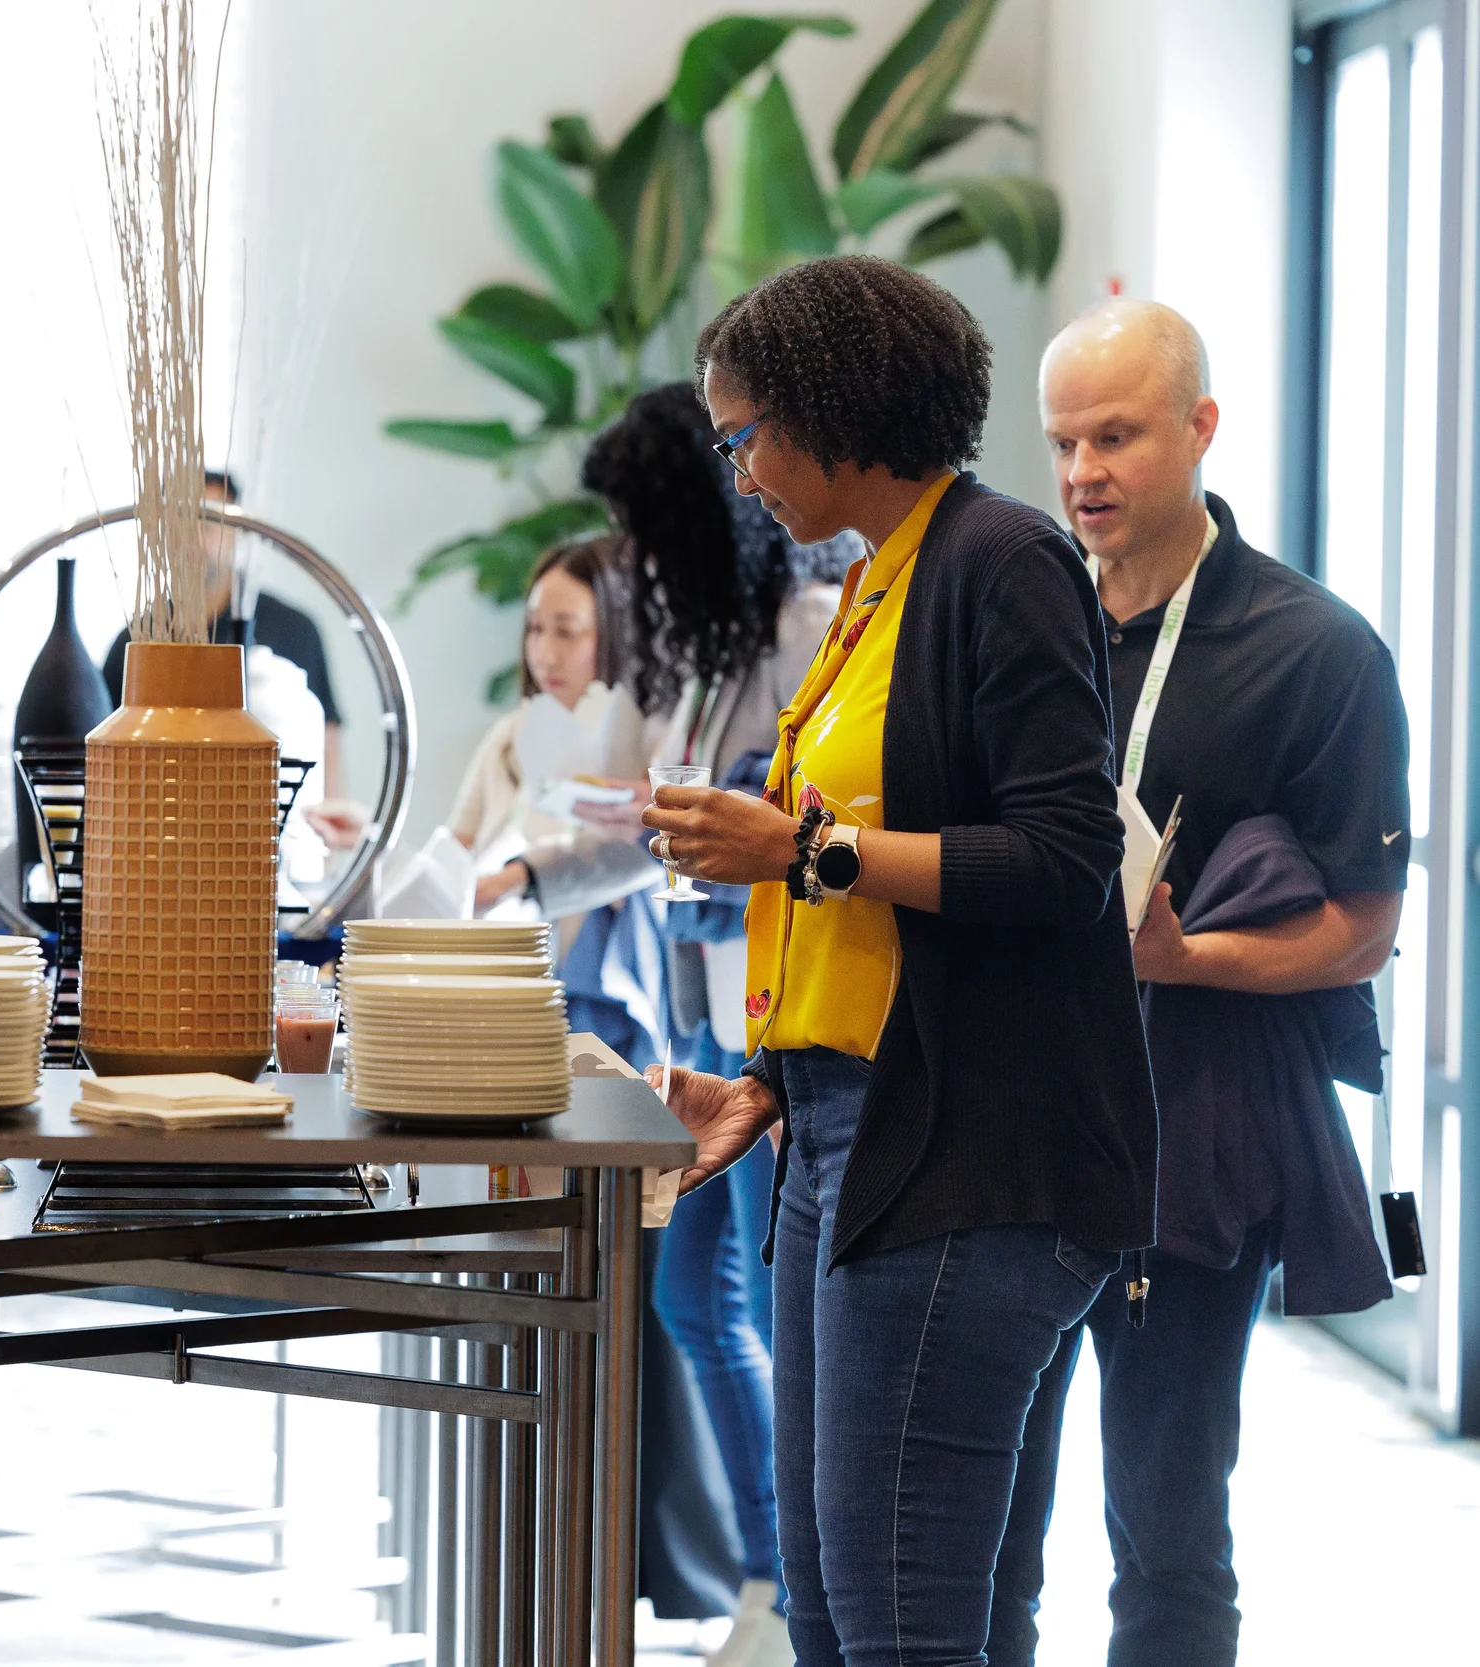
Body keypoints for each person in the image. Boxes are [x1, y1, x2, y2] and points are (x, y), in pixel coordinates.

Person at [641, 255, 1157, 1667]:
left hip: (962, 1144)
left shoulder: (1003, 561)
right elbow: (864, 879)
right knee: (834, 1588)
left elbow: (1060, 862)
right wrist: (769, 1071)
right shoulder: (877, 579)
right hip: (836, 1124)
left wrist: (799, 848)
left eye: (743, 435)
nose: (739, 471)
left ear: (825, 408)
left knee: (898, 1610)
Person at [988, 301, 1407, 1667]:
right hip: (1008, 1137)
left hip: (1187, 1140)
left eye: (1115, 435)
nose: (1083, 471)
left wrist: (1182, 956)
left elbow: (1362, 926)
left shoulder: (1317, 650)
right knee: (981, 1529)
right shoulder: (1028, 618)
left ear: (1200, 427)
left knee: (1165, 1537)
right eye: (1062, 442)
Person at [485, 382, 850, 1666]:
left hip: (783, 1034)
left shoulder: (807, 626)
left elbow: (800, 828)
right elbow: (651, 823)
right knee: (705, 1304)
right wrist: (531, 870)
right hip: (717, 1031)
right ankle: (772, 1583)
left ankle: (781, 1589)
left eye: (640, 528)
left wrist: (685, 824)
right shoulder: (701, 647)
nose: (628, 557)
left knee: (727, 1309)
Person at [439, 534, 754, 1627]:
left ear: (614, 633)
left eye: (568, 627)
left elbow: (640, 873)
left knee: (671, 1304)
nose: (547, 647)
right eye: (537, 626)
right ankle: (590, 1549)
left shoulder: (642, 736)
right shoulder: (513, 739)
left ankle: (714, 1570)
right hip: (517, 1024)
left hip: (622, 1034)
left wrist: (534, 864)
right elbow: (460, 851)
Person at [100, 467, 345, 790]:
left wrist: (326, 820)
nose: (195, 539)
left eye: (209, 523)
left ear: (236, 530)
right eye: (181, 523)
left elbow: (325, 739)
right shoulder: (138, 640)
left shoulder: (293, 628)